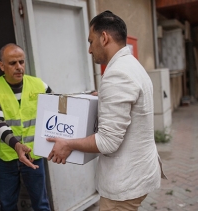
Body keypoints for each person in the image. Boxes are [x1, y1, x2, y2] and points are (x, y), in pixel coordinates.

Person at [47, 11, 166, 211]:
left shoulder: (117, 74)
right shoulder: (132, 65)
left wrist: (67, 144)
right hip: (139, 173)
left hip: (125, 184)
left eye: (91, 41)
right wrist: (103, 99)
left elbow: (108, 141)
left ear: (104, 38)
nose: (89, 49)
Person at [0, 43, 51, 211]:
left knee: (41, 205)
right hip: (6, 158)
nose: (19, 67)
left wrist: (86, 98)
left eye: (21, 62)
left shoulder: (40, 86)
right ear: (2, 66)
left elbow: (58, 110)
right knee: (7, 206)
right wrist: (16, 145)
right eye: (13, 63)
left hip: (33, 156)